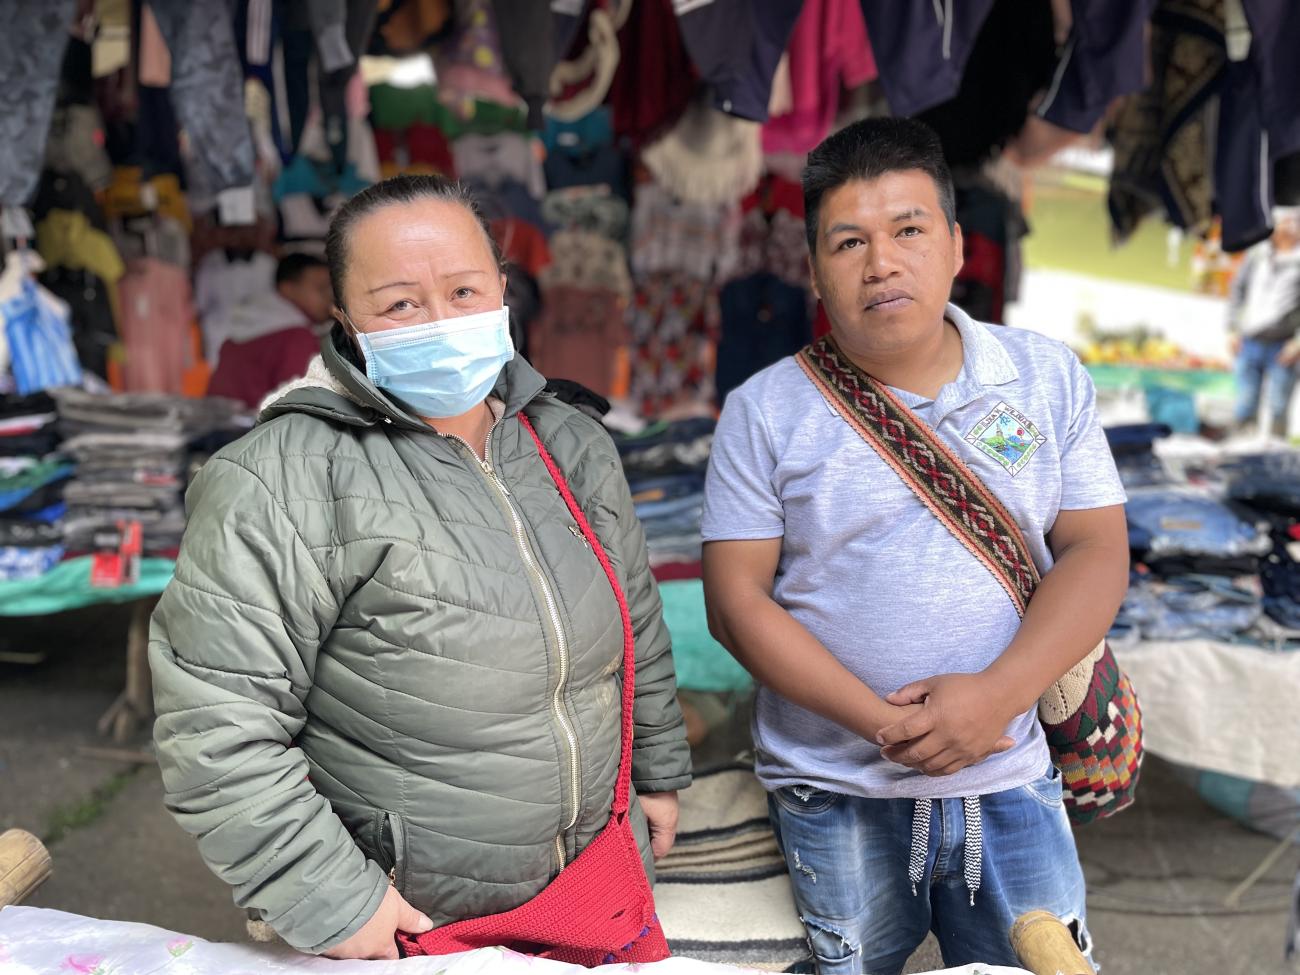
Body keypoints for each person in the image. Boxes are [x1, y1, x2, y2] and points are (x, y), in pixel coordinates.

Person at [151, 174, 691, 960]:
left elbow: (636, 620)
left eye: (465, 289)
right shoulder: (278, 477)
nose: (440, 320)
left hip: (591, 894)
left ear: (503, 291)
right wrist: (338, 901)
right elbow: (216, 727)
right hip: (409, 924)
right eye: (400, 303)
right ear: (343, 320)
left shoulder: (571, 443)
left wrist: (659, 769)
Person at [700, 118, 1129, 974]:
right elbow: (735, 603)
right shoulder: (765, 410)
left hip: (1008, 777)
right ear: (814, 268)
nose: (881, 262)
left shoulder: (1045, 376)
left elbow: (1096, 550)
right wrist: (884, 725)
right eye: (849, 241)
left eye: (908, 230)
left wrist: (995, 697)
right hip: (834, 787)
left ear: (960, 245)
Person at [205, 253, 334, 409]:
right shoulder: (297, 337)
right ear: (288, 289)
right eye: (321, 289)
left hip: (216, 418)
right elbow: (300, 402)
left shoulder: (250, 317)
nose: (330, 297)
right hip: (253, 428)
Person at [1227, 207, 1300, 438]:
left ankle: (1277, 464)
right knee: (1244, 405)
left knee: (1278, 407)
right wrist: (1232, 329)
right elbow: (1237, 290)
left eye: (1294, 222)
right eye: (1285, 221)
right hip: (1250, 341)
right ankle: (1242, 457)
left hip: (1283, 344)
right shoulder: (1257, 254)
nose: (1290, 226)